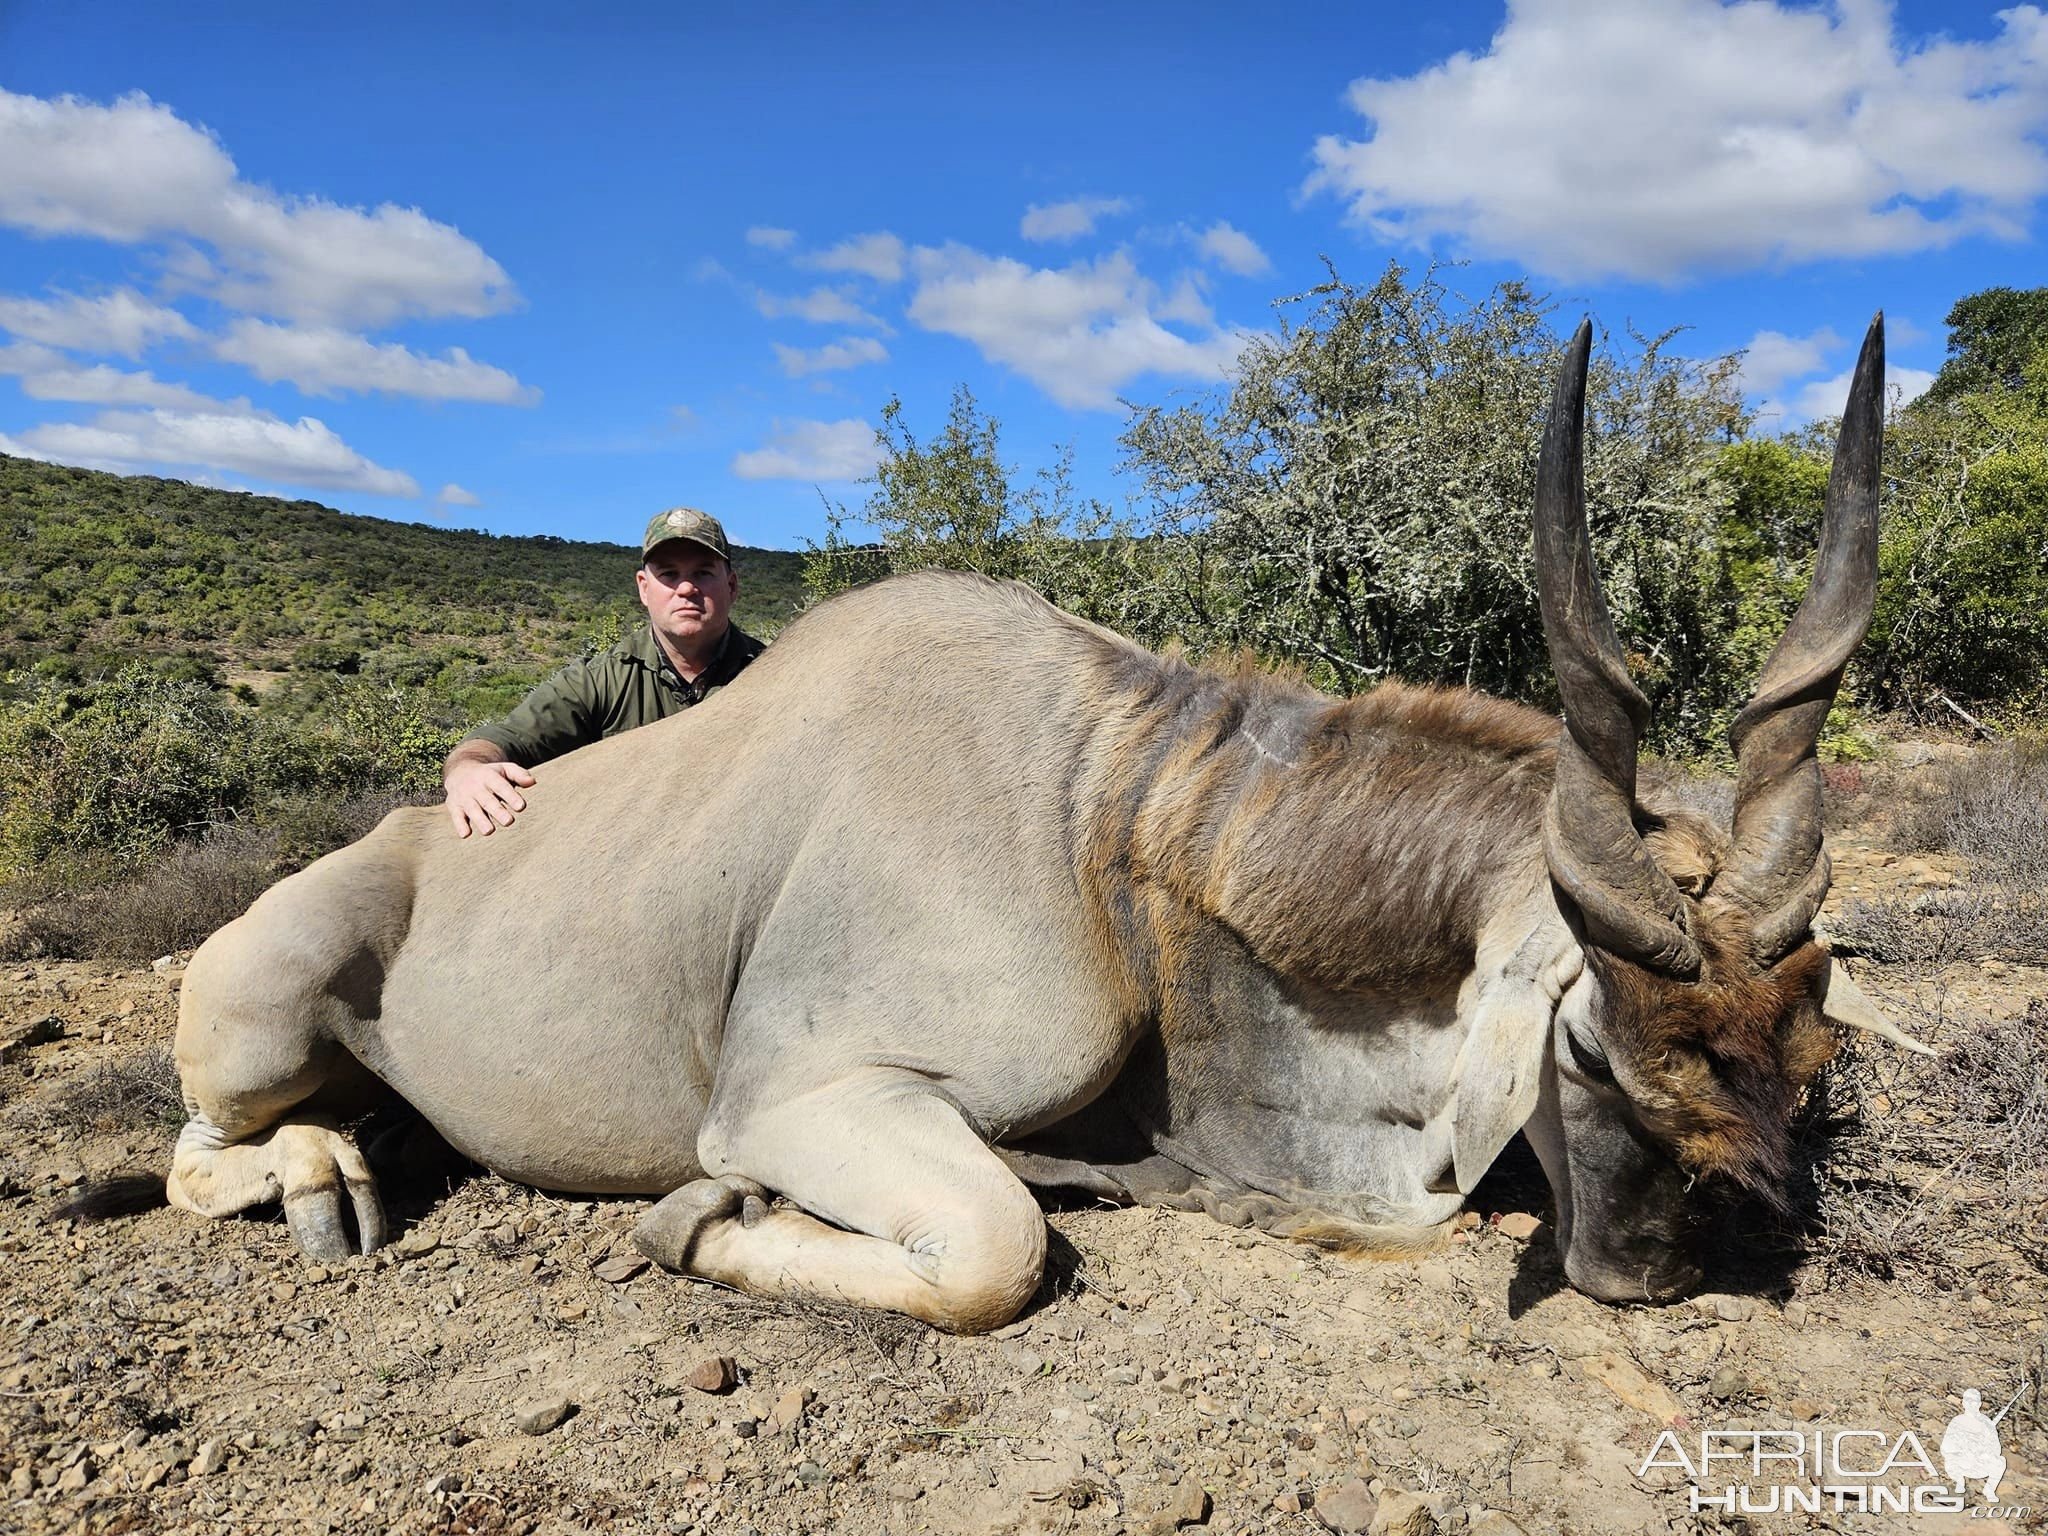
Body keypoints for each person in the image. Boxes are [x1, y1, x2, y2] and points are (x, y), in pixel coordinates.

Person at [442, 507, 765, 837]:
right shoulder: (600, 679)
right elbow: (503, 739)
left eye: (703, 573)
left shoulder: (770, 671)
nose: (685, 589)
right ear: (643, 587)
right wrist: (466, 770)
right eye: (668, 574)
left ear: (732, 585)